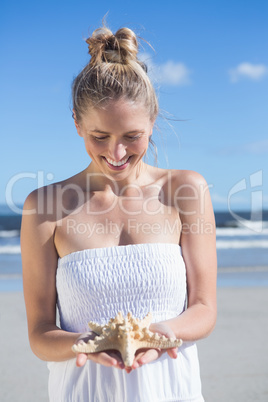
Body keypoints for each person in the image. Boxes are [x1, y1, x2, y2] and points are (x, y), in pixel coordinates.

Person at [21, 24, 217, 402]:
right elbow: (40, 333)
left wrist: (154, 335)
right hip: (84, 390)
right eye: (100, 137)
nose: (117, 153)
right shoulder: (44, 207)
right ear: (77, 125)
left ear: (152, 122)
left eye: (132, 136)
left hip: (168, 388)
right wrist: (86, 343)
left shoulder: (186, 191)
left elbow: (204, 309)